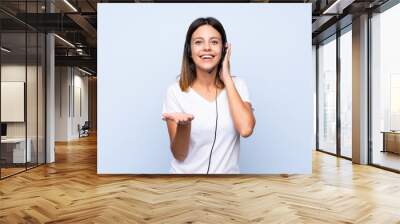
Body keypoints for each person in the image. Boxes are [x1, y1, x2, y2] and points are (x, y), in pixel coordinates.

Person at [162, 17, 255, 174]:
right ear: (189, 51)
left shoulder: (237, 85)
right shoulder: (175, 91)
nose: (206, 48)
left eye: (214, 42)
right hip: (184, 185)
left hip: (226, 187)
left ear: (224, 49)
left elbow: (246, 129)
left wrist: (226, 77)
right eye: (198, 42)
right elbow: (179, 154)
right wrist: (184, 126)